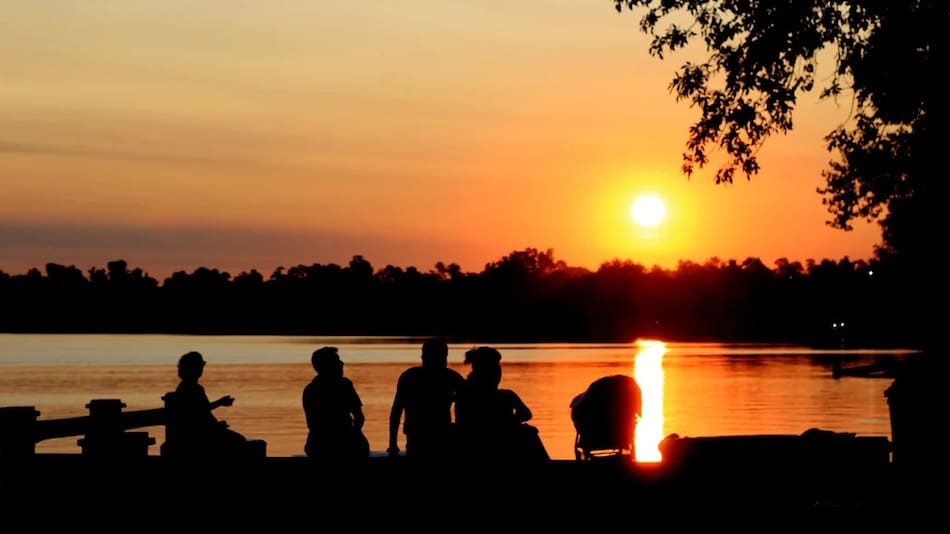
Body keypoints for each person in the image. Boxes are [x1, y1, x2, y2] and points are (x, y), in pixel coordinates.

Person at [454, 346, 549, 464]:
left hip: (479, 442)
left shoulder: (463, 392)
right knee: (528, 434)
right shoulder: (503, 397)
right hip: (483, 444)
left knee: (527, 432)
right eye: (496, 368)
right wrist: (510, 422)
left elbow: (527, 414)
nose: (499, 373)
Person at [163, 350, 253, 458]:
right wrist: (220, 404)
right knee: (239, 440)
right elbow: (199, 413)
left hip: (201, 432)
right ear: (193, 368)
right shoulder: (194, 389)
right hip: (200, 435)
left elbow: (201, 412)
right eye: (199, 366)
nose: (201, 369)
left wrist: (216, 425)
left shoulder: (184, 387)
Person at [387, 338, 465, 462]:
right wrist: (392, 445)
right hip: (419, 437)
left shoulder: (451, 378)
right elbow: (396, 412)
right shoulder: (410, 377)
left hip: (441, 436)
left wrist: (392, 444)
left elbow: (396, 412)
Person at [302, 346, 369, 463]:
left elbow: (313, 424)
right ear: (327, 365)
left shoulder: (310, 389)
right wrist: (354, 435)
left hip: (317, 445)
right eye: (337, 360)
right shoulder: (344, 385)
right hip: (335, 444)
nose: (342, 363)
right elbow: (358, 416)